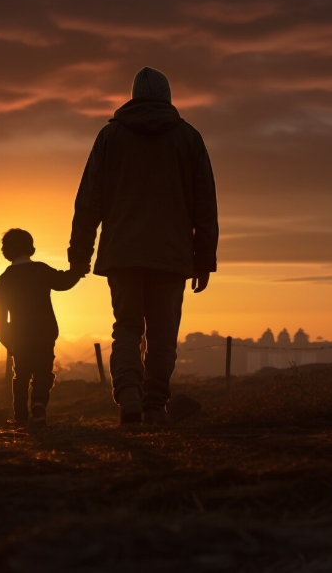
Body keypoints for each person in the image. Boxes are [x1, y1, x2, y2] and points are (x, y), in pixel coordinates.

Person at [68, 66, 219, 426]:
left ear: (134, 96)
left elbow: (88, 202)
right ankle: (153, 406)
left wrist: (79, 256)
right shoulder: (189, 139)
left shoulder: (110, 138)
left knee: (127, 329)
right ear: (168, 97)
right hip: (172, 258)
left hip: (123, 256)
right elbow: (205, 205)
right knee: (163, 336)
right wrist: (203, 260)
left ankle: (129, 397)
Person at [0, 228, 85, 431]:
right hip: (45, 334)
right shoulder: (42, 270)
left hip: (19, 337)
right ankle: (39, 405)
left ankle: (20, 416)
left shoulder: (5, 278)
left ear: (6, 251)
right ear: (31, 248)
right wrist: (78, 270)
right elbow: (64, 281)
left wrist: (8, 342)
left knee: (21, 375)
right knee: (43, 372)